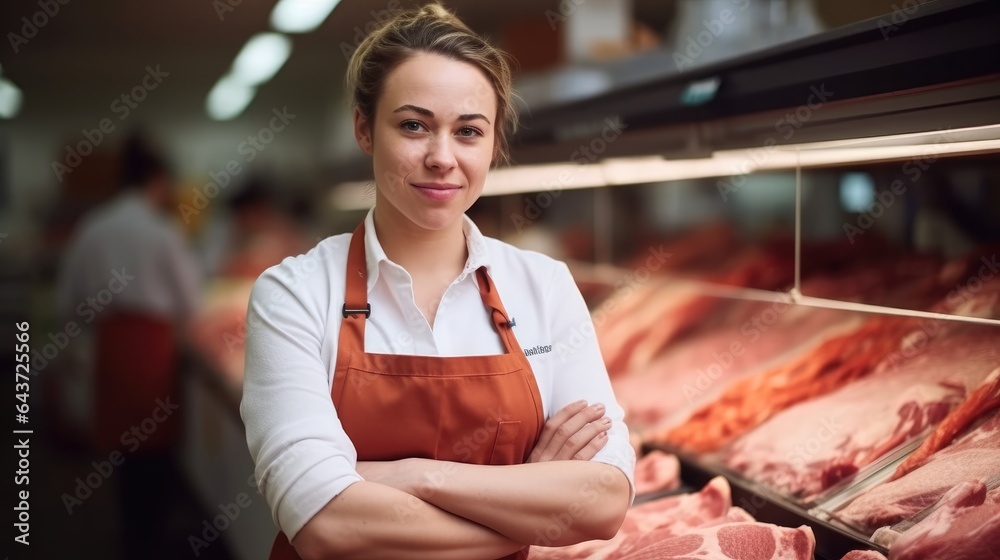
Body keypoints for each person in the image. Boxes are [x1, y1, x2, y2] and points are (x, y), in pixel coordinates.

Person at [240, 5, 635, 559]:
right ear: (364, 128)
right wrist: (527, 502)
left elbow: (602, 502)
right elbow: (328, 527)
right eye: (413, 125)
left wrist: (415, 476)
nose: (442, 157)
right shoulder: (294, 294)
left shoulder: (543, 285)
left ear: (494, 144)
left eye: (468, 131)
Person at [55, 132, 202, 558]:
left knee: (124, 449)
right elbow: (190, 301)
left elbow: (69, 299)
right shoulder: (161, 231)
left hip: (113, 346)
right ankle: (150, 536)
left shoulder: (93, 226)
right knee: (155, 449)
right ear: (156, 181)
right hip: (153, 348)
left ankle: (131, 536)